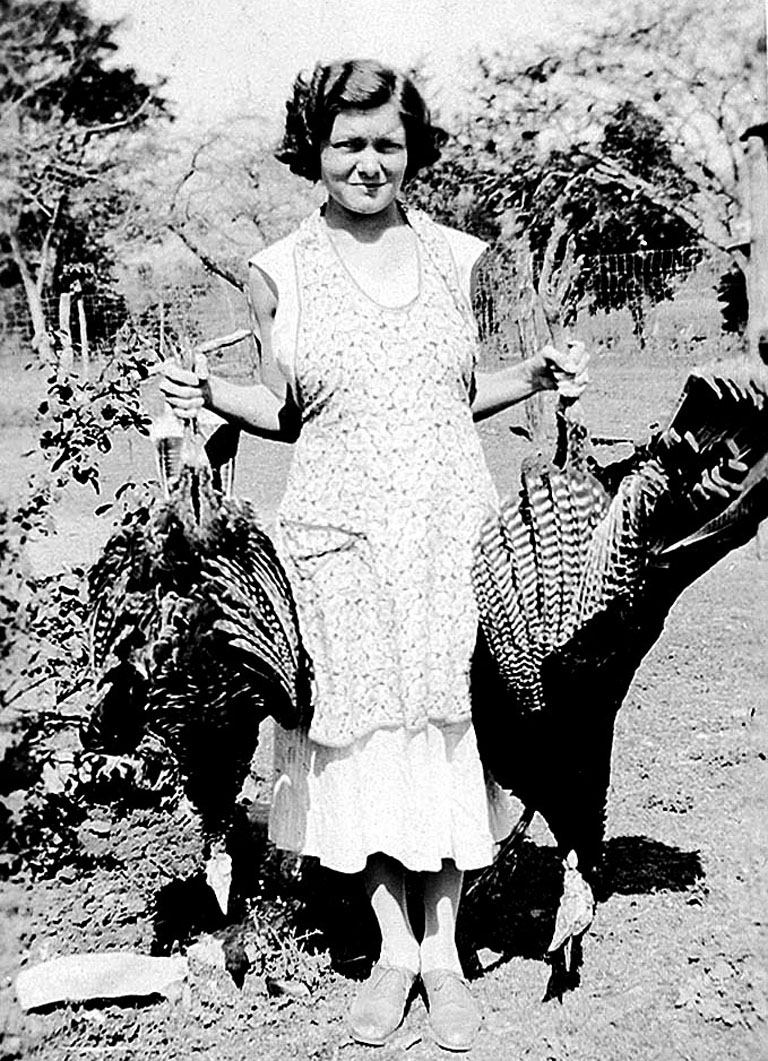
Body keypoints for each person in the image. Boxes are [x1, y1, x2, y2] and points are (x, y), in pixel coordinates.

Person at [158, 58, 589, 1052]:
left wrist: (538, 374)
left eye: (386, 143)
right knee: (363, 741)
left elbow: (457, 388)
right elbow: (285, 406)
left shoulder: (457, 259)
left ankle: (445, 947)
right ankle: (394, 946)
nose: (367, 162)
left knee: (447, 734)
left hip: (447, 533)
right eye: (348, 142)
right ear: (316, 147)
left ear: (414, 149)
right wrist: (205, 397)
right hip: (340, 539)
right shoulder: (281, 269)